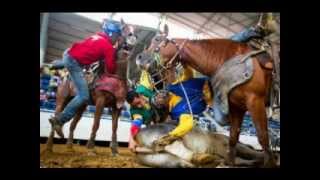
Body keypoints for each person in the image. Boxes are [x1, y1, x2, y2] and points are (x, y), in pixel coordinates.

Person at [48, 20, 123, 138]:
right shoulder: (108, 47)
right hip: (74, 62)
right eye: (117, 35)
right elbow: (111, 68)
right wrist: (112, 54)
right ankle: (60, 120)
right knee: (84, 96)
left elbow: (88, 52)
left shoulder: (97, 36)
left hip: (69, 54)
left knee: (71, 63)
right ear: (111, 34)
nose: (118, 38)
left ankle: (56, 64)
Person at [150, 65, 213, 150]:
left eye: (157, 95)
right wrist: (170, 136)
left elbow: (188, 76)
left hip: (211, 80)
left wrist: (185, 65)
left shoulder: (172, 87)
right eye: (158, 99)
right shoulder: (178, 112)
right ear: (163, 106)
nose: (159, 95)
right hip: (215, 99)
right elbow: (187, 124)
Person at [126, 69, 157, 151]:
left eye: (138, 102)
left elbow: (145, 72)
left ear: (139, 95)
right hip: (148, 117)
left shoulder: (144, 89)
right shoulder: (135, 110)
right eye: (135, 105)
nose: (138, 106)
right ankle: (133, 143)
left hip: (155, 113)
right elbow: (135, 125)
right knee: (137, 124)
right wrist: (133, 141)